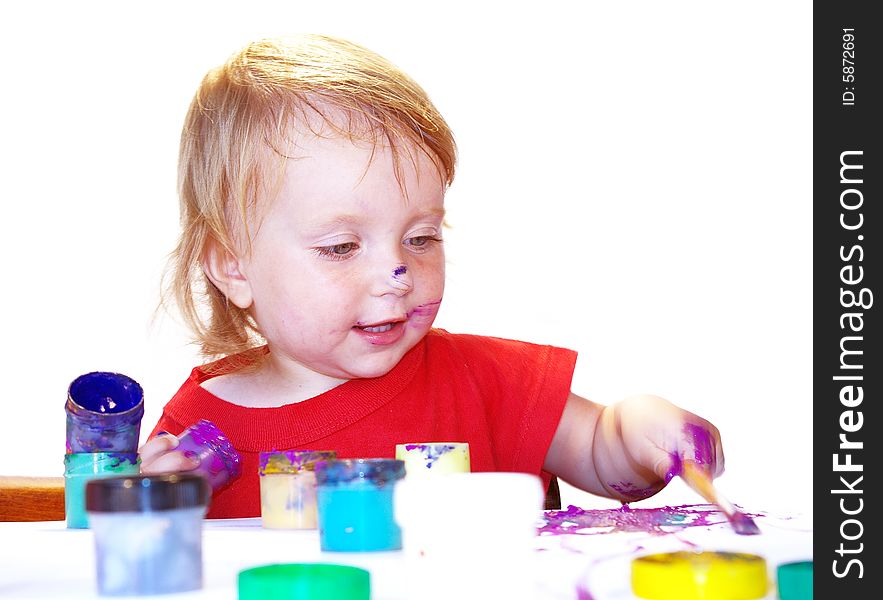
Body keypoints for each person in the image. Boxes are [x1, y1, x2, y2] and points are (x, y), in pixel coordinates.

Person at [140, 34, 724, 519]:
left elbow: (601, 453)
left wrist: (638, 431)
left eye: (421, 238)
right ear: (232, 267)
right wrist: (155, 502)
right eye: (342, 246)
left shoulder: (486, 381)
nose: (396, 275)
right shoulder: (199, 430)